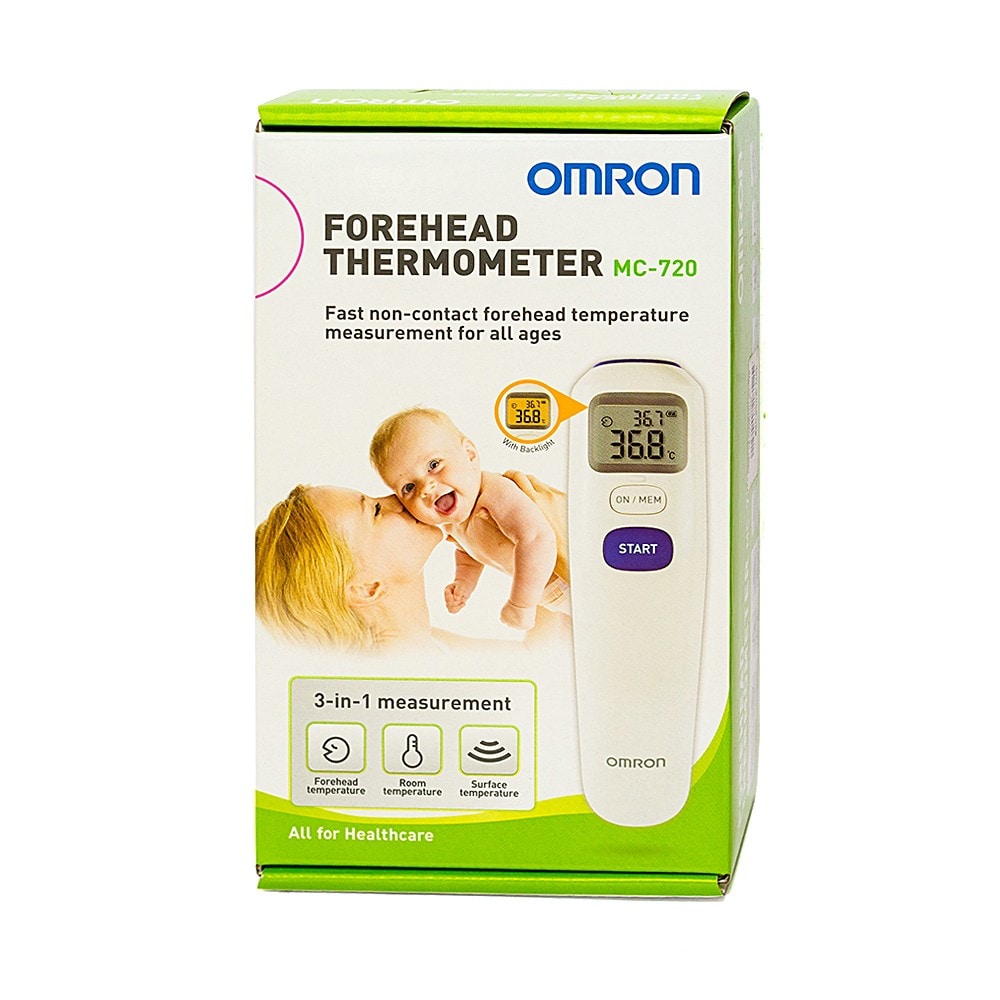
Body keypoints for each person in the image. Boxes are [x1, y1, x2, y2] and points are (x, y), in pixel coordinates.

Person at [255, 481, 567, 651]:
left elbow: (533, 660)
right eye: (376, 510)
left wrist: (530, 554)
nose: (397, 498)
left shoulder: (430, 645)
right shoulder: (408, 676)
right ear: (366, 588)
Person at [370, 408, 569, 630]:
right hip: (553, 596)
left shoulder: (495, 491)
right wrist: (464, 582)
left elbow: (537, 538)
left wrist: (521, 605)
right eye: (409, 487)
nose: (425, 488)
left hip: (568, 578)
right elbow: (469, 553)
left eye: (433, 465)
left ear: (469, 454)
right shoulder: (452, 523)